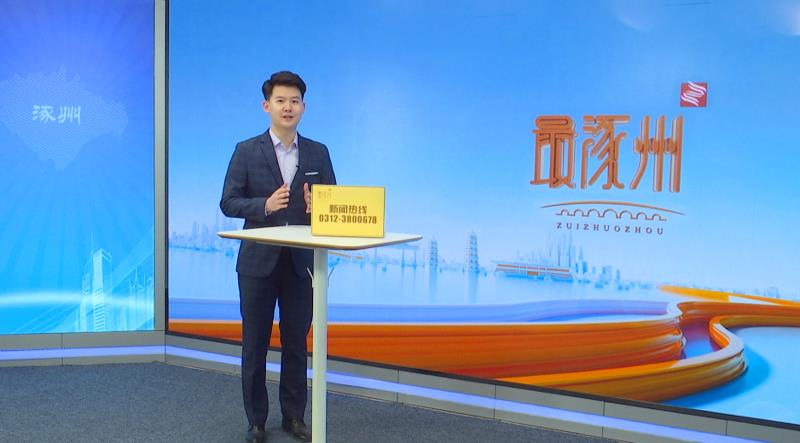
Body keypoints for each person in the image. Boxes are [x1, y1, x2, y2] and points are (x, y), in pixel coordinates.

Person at [220, 71, 336, 443]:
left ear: (304, 107)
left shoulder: (318, 152)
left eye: (295, 101)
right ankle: (256, 421)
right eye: (281, 101)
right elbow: (228, 202)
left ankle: (294, 417)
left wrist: (318, 206)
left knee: (296, 343)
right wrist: (265, 206)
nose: (288, 107)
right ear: (266, 106)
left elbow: (333, 203)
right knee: (254, 344)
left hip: (301, 264)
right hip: (258, 263)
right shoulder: (246, 150)